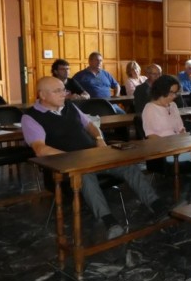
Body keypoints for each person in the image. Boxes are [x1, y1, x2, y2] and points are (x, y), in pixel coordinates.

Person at [22, 77, 168, 240]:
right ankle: (109, 222)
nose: (64, 94)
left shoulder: (69, 106)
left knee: (128, 165)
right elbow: (41, 150)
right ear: (42, 95)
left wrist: (99, 140)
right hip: (65, 166)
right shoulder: (31, 117)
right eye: (58, 91)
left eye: (64, 89)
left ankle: (158, 206)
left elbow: (91, 125)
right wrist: (76, 158)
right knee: (85, 176)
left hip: (93, 157)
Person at [142, 75, 191, 199]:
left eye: (176, 93)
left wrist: (183, 135)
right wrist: (172, 143)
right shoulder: (149, 108)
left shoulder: (173, 106)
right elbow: (151, 136)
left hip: (181, 146)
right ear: (161, 91)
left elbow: (180, 128)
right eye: (171, 93)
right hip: (165, 151)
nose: (174, 96)